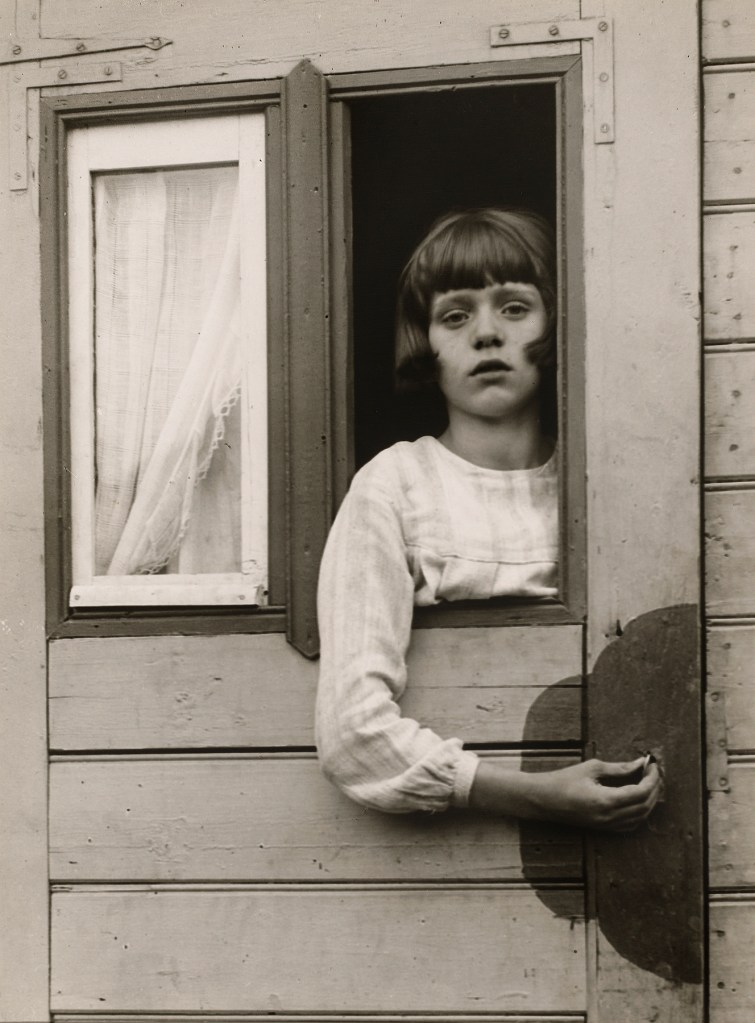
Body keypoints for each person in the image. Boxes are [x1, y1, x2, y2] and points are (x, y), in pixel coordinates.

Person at [315, 207, 660, 831]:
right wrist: (531, 794)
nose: (485, 334)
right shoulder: (393, 486)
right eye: (455, 315)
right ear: (426, 341)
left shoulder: (608, 481)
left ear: (555, 323)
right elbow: (350, 731)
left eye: (514, 307)